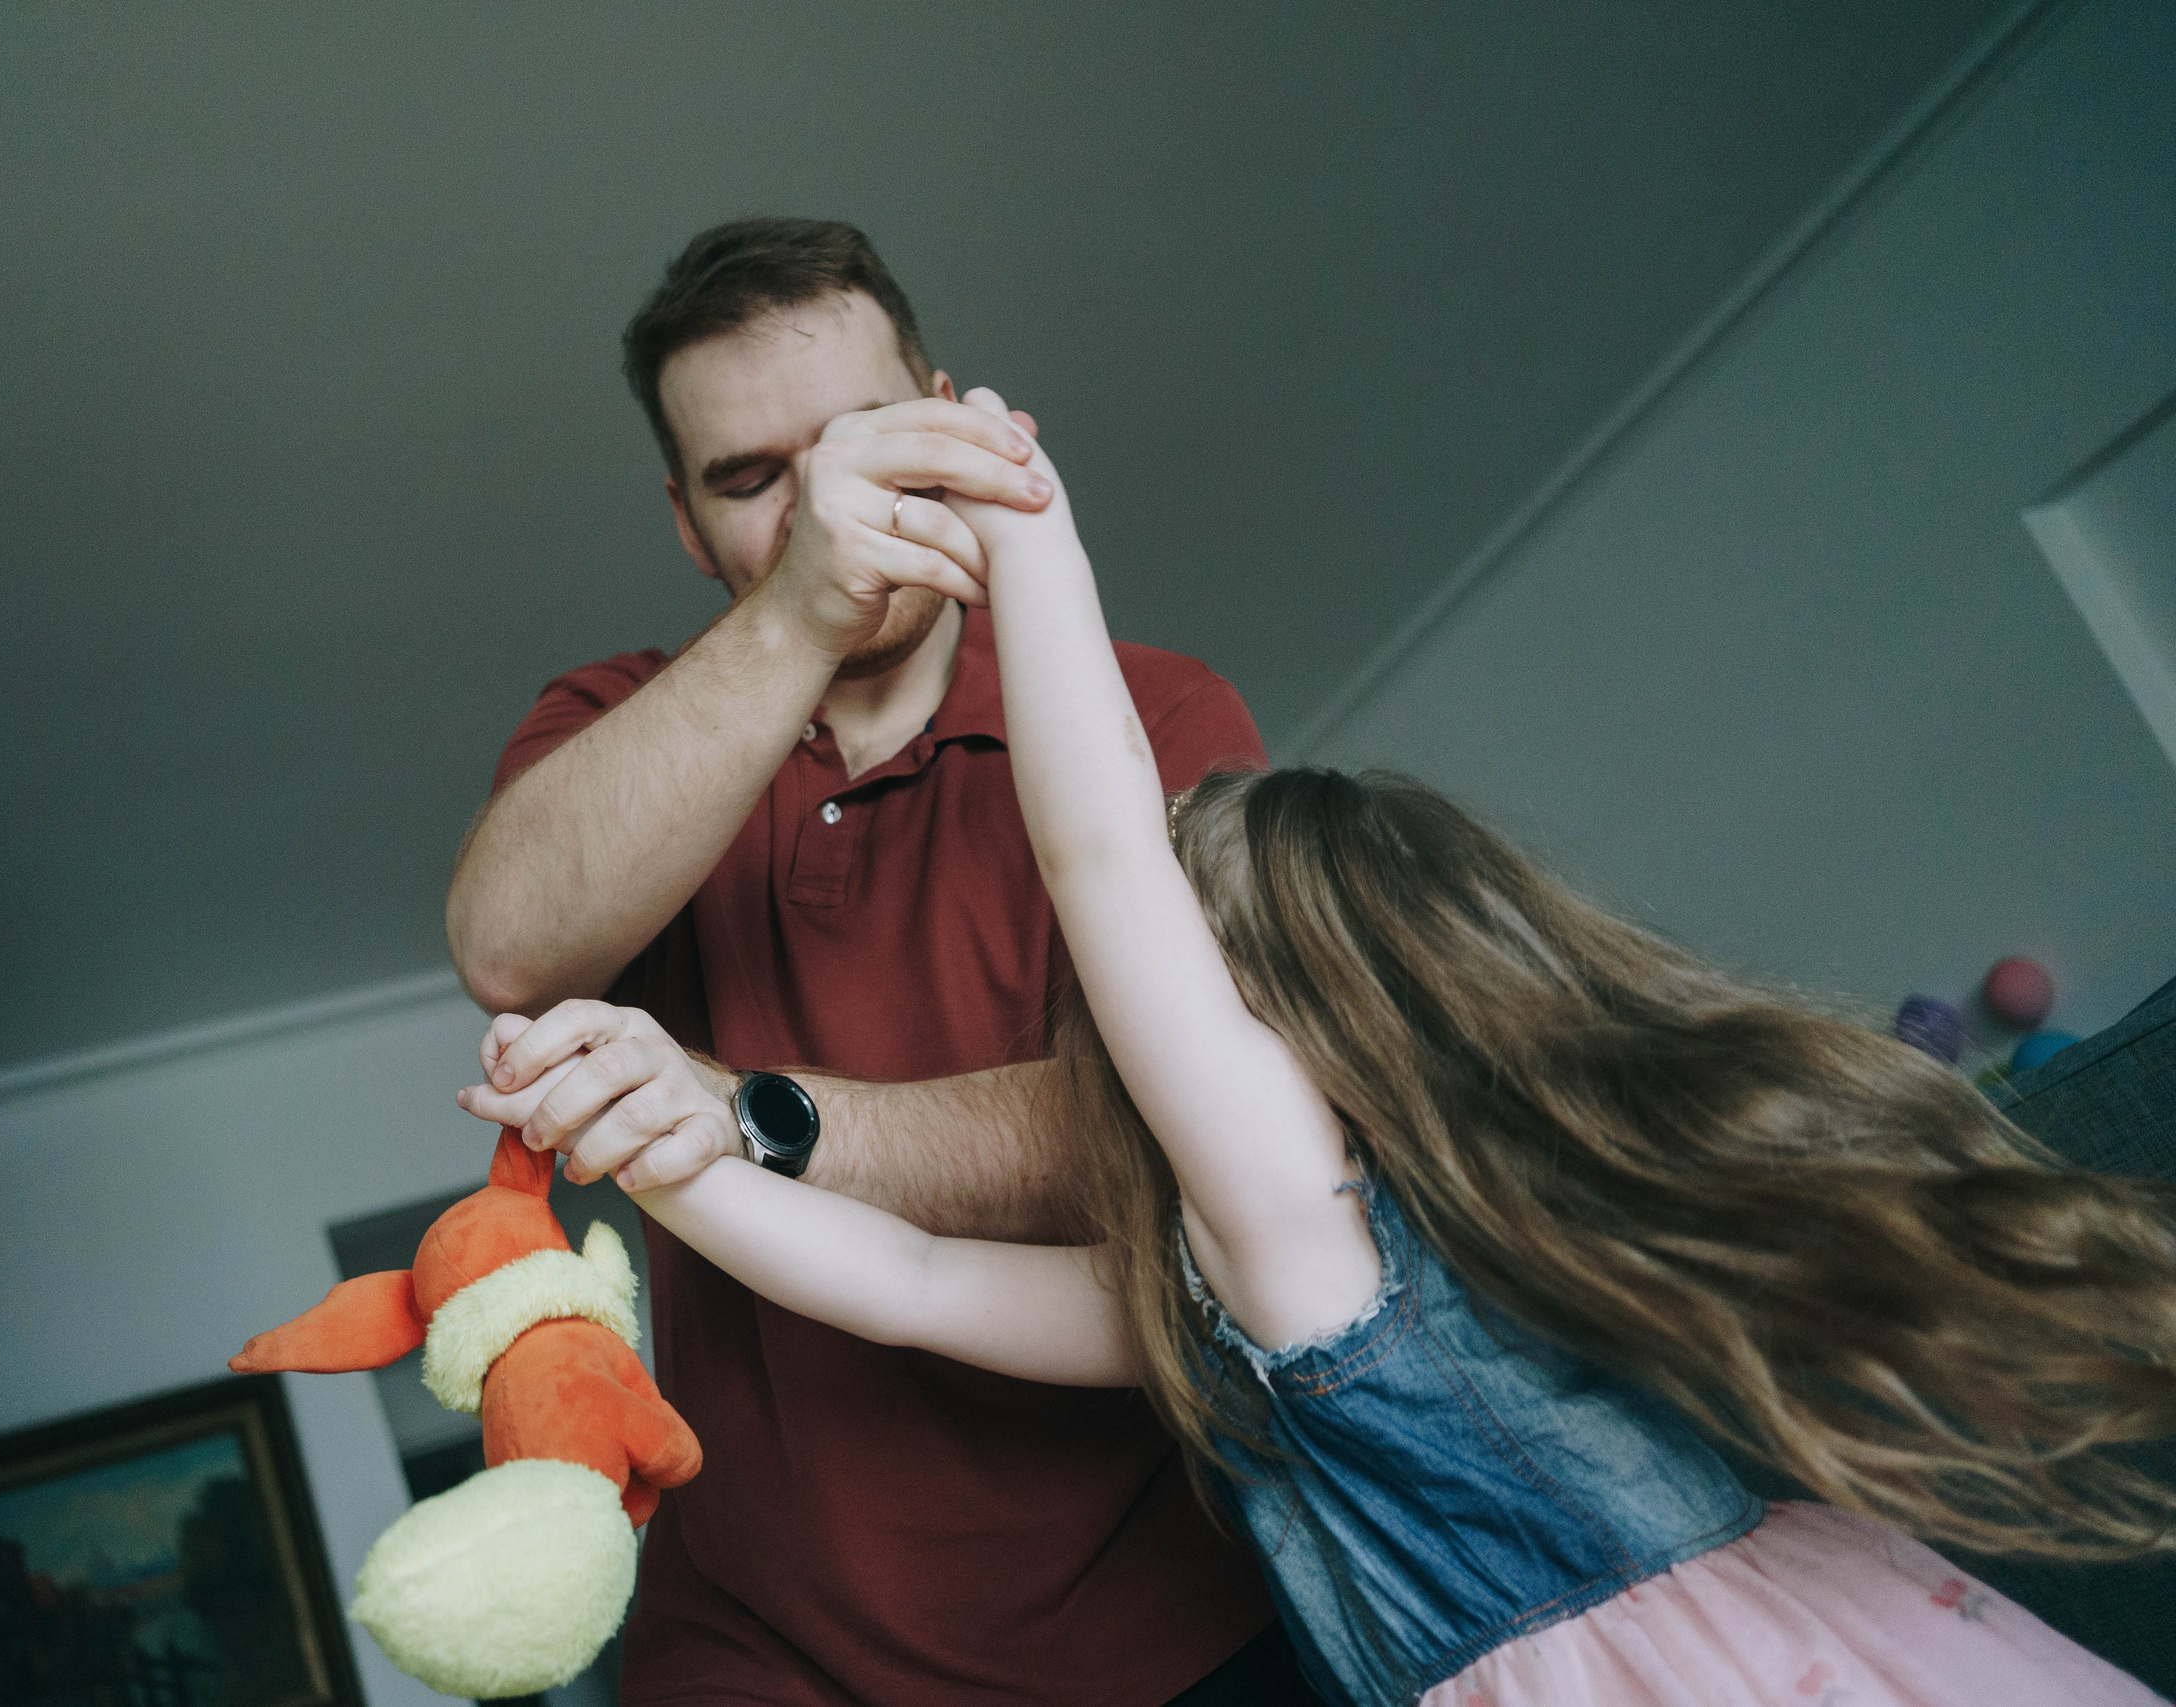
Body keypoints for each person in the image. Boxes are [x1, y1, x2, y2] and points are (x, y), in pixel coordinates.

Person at [473, 388, 2176, 1705]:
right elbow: (907, 1275)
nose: (1141, 1013)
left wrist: (1026, 522)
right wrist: (652, 1137)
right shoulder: (1245, 1293)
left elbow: (1099, 855)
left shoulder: (1311, 1247)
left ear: (1309, 1020)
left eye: (1188, 988)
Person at [447, 219, 1311, 1704]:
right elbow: (505, 943)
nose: (823, 505)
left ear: (952, 413)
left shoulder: (1153, 713)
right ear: (683, 520)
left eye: (859, 440)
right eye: (750, 480)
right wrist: (799, 607)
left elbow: (1190, 1124)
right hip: (762, 1644)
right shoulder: (614, 718)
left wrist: (752, 1115)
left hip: (1183, 1609)